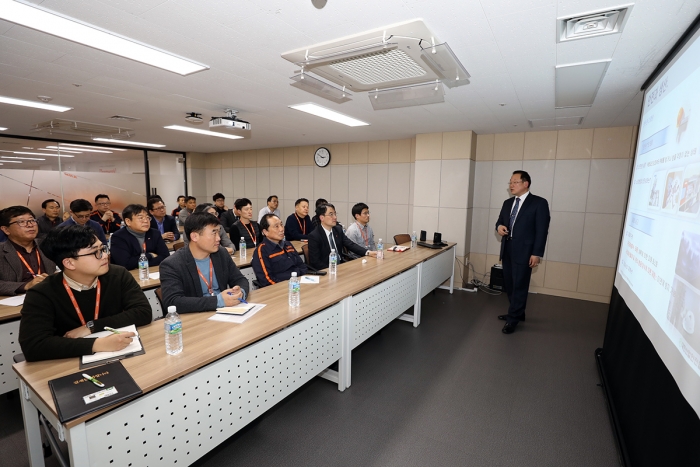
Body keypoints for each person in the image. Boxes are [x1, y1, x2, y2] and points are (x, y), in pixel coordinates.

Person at [17, 225, 152, 362]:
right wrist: (97, 344)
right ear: (69, 263)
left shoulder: (118, 274)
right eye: (95, 252)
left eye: (103, 249)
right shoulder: (41, 293)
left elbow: (143, 312)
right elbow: (33, 346)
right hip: (68, 363)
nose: (105, 256)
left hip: (121, 354)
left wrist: (92, 327)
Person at [495, 170, 550, 335]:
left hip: (526, 251)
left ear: (526, 184)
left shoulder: (539, 203)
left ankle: (513, 319)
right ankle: (518, 312)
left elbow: (542, 231)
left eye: (515, 182)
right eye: (510, 182)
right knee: (510, 284)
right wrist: (499, 227)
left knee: (520, 284)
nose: (511, 185)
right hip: (508, 249)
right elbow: (499, 221)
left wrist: (537, 253)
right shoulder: (507, 203)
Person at [159, 212, 249, 313]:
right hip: (196, 318)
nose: (218, 238)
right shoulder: (172, 264)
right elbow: (173, 302)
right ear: (194, 237)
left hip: (225, 313)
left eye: (218, 232)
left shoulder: (221, 253)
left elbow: (240, 279)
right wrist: (217, 301)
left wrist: (240, 292)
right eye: (214, 233)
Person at [0, 206, 56, 296]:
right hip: (15, 304)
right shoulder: (1, 251)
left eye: (32, 220)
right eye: (21, 222)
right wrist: (26, 285)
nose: (30, 225)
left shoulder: (48, 245)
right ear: (6, 229)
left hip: (51, 297)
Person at [307, 203, 376, 271]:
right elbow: (315, 262)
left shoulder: (338, 230)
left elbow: (351, 245)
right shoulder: (314, 236)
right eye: (331, 214)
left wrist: (368, 252)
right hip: (326, 270)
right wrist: (332, 270)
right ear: (322, 218)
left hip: (341, 266)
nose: (335, 217)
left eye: (335, 214)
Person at [252, 214, 307, 287]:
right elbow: (266, 280)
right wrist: (286, 287)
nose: (281, 229)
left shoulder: (288, 245)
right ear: (265, 232)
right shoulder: (262, 251)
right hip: (281, 289)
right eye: (276, 226)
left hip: (299, 284)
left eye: (281, 225)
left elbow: (302, 266)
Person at [110, 204, 170, 270]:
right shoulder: (118, 237)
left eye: (147, 217)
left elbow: (165, 256)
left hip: (152, 272)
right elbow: (125, 264)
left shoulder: (154, 233)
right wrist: (150, 255)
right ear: (128, 221)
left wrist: (139, 263)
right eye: (141, 218)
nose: (146, 221)